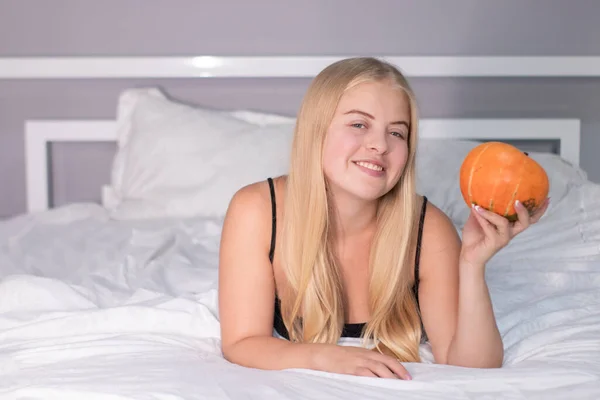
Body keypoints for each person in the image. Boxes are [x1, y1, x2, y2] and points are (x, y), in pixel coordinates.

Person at [217, 57, 549, 380]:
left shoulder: (428, 230)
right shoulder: (257, 211)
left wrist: (473, 265)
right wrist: (326, 357)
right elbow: (242, 342)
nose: (379, 145)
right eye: (359, 124)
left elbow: (473, 367)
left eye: (397, 133)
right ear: (315, 131)